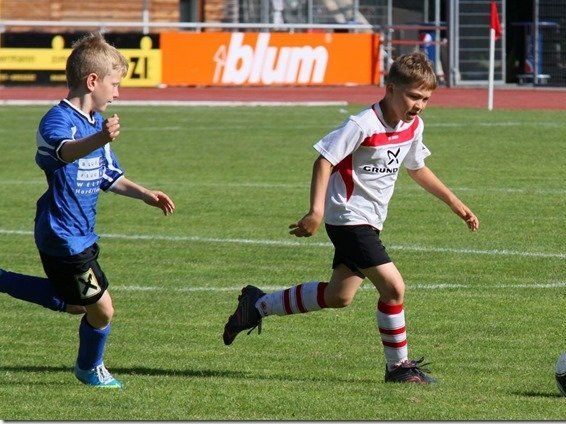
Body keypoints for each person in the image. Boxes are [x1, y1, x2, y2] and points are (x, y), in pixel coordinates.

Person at [222, 52, 479, 384]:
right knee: (394, 288)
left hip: (371, 221)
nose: (419, 105)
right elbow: (324, 160)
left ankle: (257, 305)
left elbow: (416, 168)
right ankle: (398, 367)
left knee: (338, 296)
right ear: (390, 89)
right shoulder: (363, 124)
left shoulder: (413, 126)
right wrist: (316, 211)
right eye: (413, 96)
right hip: (348, 218)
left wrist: (454, 202)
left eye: (425, 99)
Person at [0, 32, 175, 388]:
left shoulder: (95, 122)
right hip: (63, 238)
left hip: (81, 235)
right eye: (115, 84)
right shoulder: (57, 120)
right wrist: (100, 138)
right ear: (92, 81)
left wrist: (144, 194)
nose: (117, 93)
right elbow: (63, 151)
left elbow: (108, 175)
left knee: (80, 304)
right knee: (103, 309)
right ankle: (89, 368)